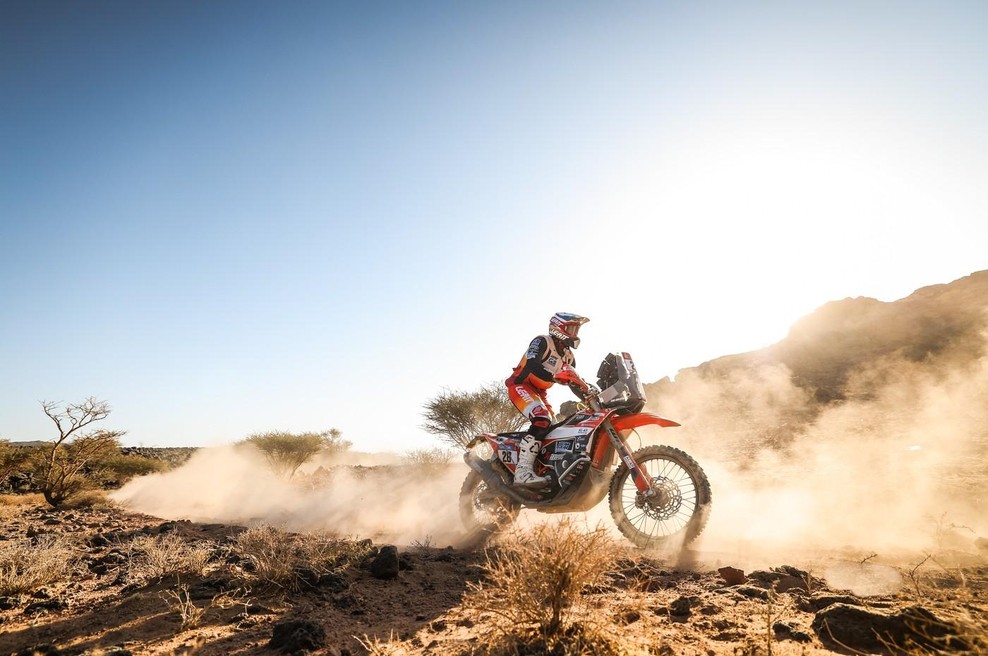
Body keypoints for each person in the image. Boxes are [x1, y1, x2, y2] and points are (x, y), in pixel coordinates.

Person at [505, 312, 589, 487]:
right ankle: (522, 471)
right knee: (542, 420)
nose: (575, 334)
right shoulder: (542, 341)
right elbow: (532, 364)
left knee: (557, 429)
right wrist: (554, 377)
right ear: (558, 328)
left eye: (576, 330)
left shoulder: (569, 357)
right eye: (571, 329)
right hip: (521, 386)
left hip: (540, 393)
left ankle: (543, 468)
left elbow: (574, 382)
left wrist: (588, 395)